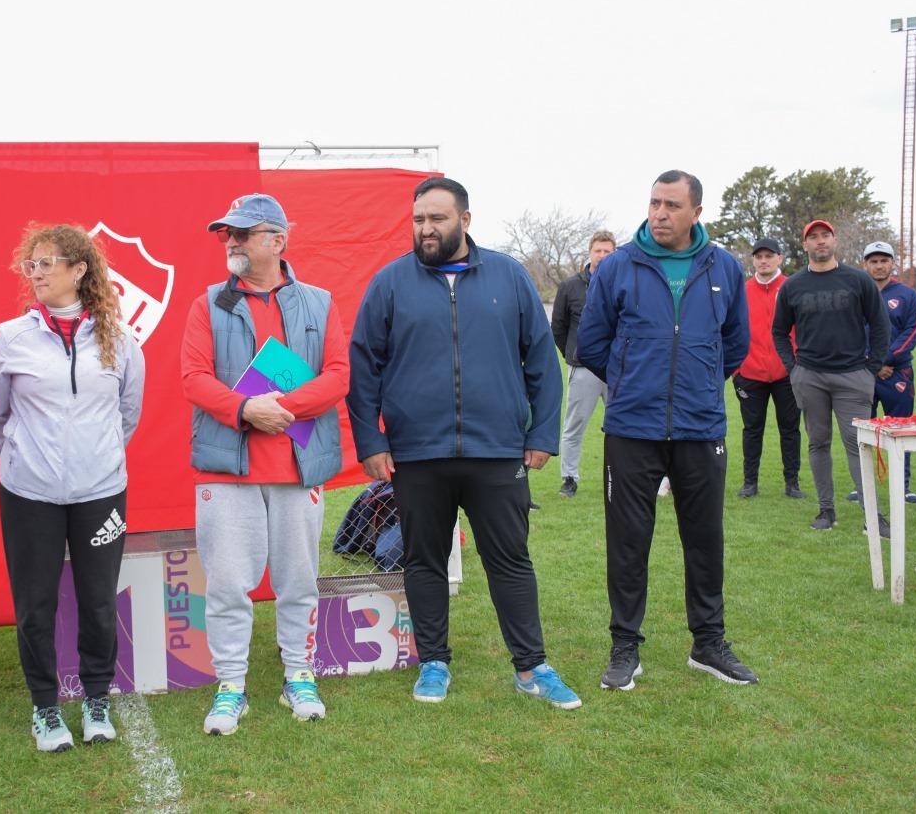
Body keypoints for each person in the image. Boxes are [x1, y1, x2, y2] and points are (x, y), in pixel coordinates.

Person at [348, 176, 580, 710]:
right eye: (418, 220)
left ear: (465, 220)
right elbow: (364, 368)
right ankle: (434, 662)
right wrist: (371, 441)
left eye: (437, 219)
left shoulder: (509, 277)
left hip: (496, 450)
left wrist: (541, 433)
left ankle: (531, 666)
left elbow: (543, 362)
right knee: (423, 559)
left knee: (510, 560)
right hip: (417, 452)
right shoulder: (389, 284)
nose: (426, 229)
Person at [578, 170, 758, 690]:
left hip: (701, 428)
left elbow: (736, 343)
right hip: (632, 428)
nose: (660, 213)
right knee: (628, 543)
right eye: (655, 203)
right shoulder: (617, 267)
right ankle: (624, 647)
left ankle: (708, 644)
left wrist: (698, 383)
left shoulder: (723, 266)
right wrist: (636, 383)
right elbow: (592, 344)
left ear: (696, 212)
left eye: (672, 205)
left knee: (705, 539)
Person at [181, 193, 349, 735]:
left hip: (298, 467)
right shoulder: (207, 302)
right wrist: (245, 409)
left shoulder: (320, 302)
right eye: (226, 233)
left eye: (241, 233)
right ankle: (230, 684)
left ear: (277, 241)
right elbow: (193, 377)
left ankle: (299, 674)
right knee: (229, 584)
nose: (229, 241)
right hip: (227, 468)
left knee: (298, 580)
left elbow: (338, 375)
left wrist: (282, 408)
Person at [0, 224, 145, 752]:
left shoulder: (119, 340)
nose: (37, 272)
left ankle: (97, 698)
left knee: (98, 601)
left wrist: (93, 461)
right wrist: (30, 462)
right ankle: (45, 708)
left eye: (48, 262)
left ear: (80, 270)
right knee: (36, 603)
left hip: (101, 492)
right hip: (28, 495)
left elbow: (128, 414)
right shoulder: (12, 337)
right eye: (31, 263)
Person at [771, 220, 890, 533]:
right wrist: (793, 369)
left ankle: (873, 516)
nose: (820, 241)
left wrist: (871, 366)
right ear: (805, 245)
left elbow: (880, 324)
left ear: (834, 241)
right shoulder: (793, 286)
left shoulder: (858, 280)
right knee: (818, 444)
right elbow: (779, 331)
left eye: (825, 235)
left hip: (853, 376)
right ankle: (826, 511)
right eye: (814, 237)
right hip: (810, 377)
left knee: (857, 445)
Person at [846, 240, 916, 504]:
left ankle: (902, 486)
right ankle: (863, 486)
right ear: (864, 264)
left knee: (901, 432)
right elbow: (848, 333)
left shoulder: (907, 295)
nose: (879, 266)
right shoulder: (855, 294)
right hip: (863, 373)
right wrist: (873, 365)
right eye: (874, 261)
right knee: (863, 434)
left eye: (884, 261)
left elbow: (910, 334)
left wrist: (881, 362)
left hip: (897, 374)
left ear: (892, 263)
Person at [732, 237, 804, 499]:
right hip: (749, 373)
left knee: (790, 429)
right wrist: (736, 369)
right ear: (753, 260)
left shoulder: (791, 288)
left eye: (769, 256)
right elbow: (731, 329)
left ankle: (792, 482)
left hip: (786, 373)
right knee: (752, 429)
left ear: (779, 258)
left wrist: (796, 365)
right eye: (759, 256)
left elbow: (802, 329)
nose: (763, 261)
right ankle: (750, 482)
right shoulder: (741, 290)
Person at [551, 230, 617, 498]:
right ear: (589, 251)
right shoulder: (570, 286)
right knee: (574, 426)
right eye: (598, 250)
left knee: (624, 427)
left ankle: (623, 477)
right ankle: (569, 478)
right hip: (584, 368)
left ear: (615, 254)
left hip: (617, 369)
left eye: (607, 252)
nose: (602, 256)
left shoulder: (622, 282)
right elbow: (559, 327)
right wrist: (572, 355)